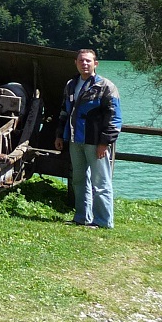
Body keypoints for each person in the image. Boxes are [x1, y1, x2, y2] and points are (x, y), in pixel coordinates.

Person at [54, 47, 122, 228]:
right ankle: (82, 218)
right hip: (75, 140)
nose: (84, 64)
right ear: (75, 63)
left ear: (95, 64)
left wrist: (104, 142)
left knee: (100, 183)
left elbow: (115, 118)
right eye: (81, 60)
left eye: (88, 61)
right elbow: (64, 112)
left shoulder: (106, 86)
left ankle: (103, 221)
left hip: (96, 143)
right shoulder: (71, 85)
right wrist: (60, 135)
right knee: (79, 180)